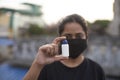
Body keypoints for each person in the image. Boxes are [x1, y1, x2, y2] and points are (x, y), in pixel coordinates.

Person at [23, 14, 105, 80]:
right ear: (60, 38)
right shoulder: (46, 68)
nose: (74, 39)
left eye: (79, 36)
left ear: (86, 36)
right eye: (68, 36)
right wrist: (37, 64)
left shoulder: (96, 70)